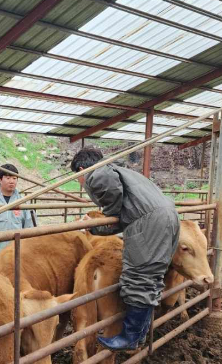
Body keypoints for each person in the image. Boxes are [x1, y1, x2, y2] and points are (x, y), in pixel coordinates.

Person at [71, 147, 180, 351]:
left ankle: (129, 337)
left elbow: (112, 199)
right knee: (151, 276)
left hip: (148, 223)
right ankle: (139, 333)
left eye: (78, 178)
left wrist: (105, 214)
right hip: (167, 218)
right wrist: (95, 226)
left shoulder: (98, 173)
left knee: (139, 276)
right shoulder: (124, 172)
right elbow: (120, 220)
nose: (80, 182)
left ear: (82, 169)